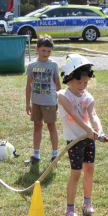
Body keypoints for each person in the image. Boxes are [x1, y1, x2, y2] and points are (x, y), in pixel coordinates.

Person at [57, 54, 104, 216]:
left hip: (88, 139)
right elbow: (75, 115)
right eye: (79, 83)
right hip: (75, 140)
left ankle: (87, 203)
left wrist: (99, 130)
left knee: (89, 171)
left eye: (86, 82)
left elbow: (93, 114)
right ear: (68, 79)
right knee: (76, 173)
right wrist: (88, 131)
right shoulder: (63, 96)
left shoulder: (88, 96)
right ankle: (70, 209)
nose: (83, 86)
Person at [25, 35, 61, 165]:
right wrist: (27, 104)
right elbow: (28, 85)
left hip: (50, 102)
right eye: (43, 50)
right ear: (37, 49)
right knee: (37, 126)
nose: (46, 54)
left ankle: (55, 154)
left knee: (51, 127)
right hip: (36, 102)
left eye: (49, 51)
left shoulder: (54, 65)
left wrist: (58, 102)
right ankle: (36, 155)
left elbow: (58, 85)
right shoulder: (32, 65)